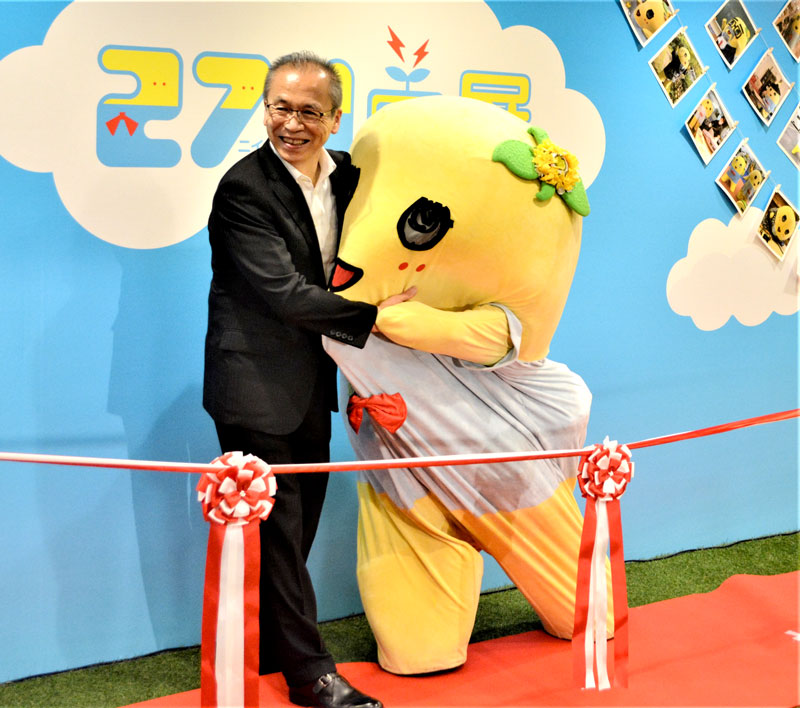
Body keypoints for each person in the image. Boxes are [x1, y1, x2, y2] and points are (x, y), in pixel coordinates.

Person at [203, 51, 411, 708]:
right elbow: (286, 294)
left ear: (334, 118)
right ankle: (311, 676)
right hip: (254, 386)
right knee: (281, 533)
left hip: (311, 384)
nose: (291, 124)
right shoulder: (243, 189)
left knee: (297, 527)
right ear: (265, 109)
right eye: (280, 108)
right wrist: (379, 317)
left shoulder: (348, 175)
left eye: (309, 112)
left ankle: (274, 643)